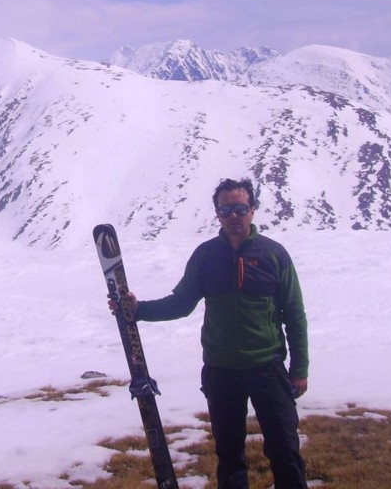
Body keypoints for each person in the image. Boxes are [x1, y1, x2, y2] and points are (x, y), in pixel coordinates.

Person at [110, 178, 309, 489]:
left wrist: (299, 370)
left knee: (285, 451)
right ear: (217, 214)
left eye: (240, 208)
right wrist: (139, 310)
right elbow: (181, 303)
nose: (234, 216)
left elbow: (295, 316)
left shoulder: (274, 255)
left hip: (267, 368)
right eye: (226, 209)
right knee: (230, 456)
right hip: (221, 371)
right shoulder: (206, 256)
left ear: (252, 211)